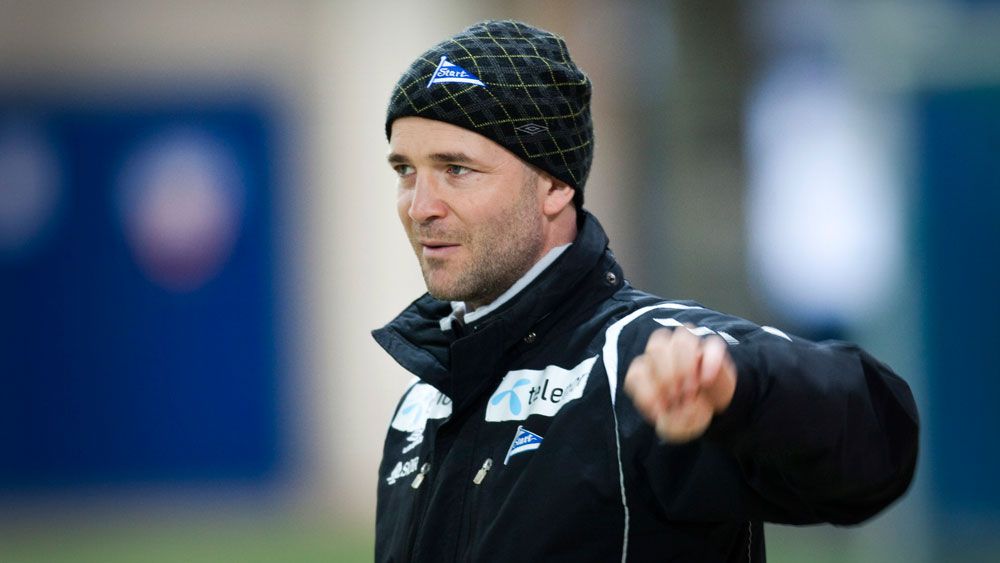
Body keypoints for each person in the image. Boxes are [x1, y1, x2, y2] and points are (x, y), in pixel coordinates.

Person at [372, 20, 918, 563]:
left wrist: (739, 390)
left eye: (457, 169)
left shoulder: (641, 360)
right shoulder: (420, 407)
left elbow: (875, 438)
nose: (420, 207)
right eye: (405, 171)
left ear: (554, 185)